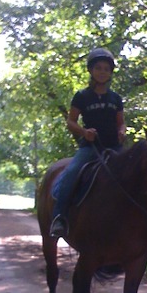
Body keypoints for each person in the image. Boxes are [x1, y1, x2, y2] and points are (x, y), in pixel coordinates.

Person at [49, 47, 127, 238]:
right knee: (72, 172)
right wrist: (84, 132)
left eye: (106, 69)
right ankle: (59, 217)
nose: (102, 72)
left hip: (114, 148)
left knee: (137, 172)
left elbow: (121, 122)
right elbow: (71, 121)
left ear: (110, 73)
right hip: (90, 147)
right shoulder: (82, 96)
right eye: (99, 68)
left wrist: (122, 131)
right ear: (91, 70)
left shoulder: (115, 98)